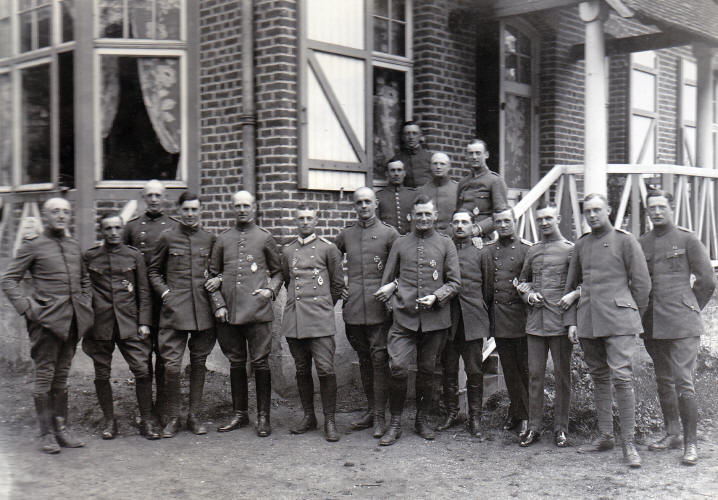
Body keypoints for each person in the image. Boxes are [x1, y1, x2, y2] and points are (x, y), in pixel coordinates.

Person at [565, 193, 651, 468]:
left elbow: (642, 284)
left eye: (597, 210)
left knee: (622, 378)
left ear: (609, 210)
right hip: (589, 319)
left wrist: (631, 315)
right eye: (587, 211)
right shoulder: (581, 244)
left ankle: (629, 443)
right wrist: (572, 321)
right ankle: (605, 436)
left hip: (619, 319)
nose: (592, 215)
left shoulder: (625, 241)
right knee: (599, 377)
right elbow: (571, 285)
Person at [1, 198, 93, 454]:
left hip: (72, 321)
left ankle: (62, 429)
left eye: (65, 211)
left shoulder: (73, 246)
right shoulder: (34, 246)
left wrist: (84, 303)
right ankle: (46, 434)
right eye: (55, 212)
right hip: (45, 322)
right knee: (45, 375)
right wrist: (28, 309)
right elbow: (9, 280)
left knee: (62, 374)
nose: (61, 216)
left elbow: (85, 280)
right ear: (45, 216)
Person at [374, 195, 461, 446]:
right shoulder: (401, 243)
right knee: (398, 368)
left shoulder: (446, 244)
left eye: (427, 214)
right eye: (419, 214)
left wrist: (436, 297)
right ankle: (395, 423)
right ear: (411, 216)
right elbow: (387, 281)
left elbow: (454, 282)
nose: (423, 218)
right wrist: (394, 304)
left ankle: (422, 420)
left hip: (435, 320)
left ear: (435, 216)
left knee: (427, 371)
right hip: (404, 319)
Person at [639, 190, 715, 466]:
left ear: (671, 208)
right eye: (652, 207)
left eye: (662, 206)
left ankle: (690, 443)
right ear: (647, 211)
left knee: (683, 379)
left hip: (682, 322)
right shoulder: (642, 242)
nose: (657, 212)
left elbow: (707, 280)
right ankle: (672, 433)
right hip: (652, 322)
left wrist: (690, 307)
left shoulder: (687, 239)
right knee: (663, 379)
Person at [206, 191, 283, 437]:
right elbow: (211, 275)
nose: (242, 209)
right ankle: (239, 414)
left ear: (254, 207)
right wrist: (218, 305)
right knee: (236, 362)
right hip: (229, 313)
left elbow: (278, 272)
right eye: (238, 205)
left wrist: (270, 291)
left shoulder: (264, 237)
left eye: (246, 205)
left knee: (260, 362)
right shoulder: (223, 239)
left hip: (258, 312)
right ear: (232, 208)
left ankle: (263, 416)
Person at [148, 191, 221, 438]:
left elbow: (218, 270)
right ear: (179, 211)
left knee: (199, 364)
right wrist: (165, 293)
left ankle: (194, 416)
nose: (190, 214)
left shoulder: (209, 239)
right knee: (171, 366)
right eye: (186, 209)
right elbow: (153, 271)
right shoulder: (167, 237)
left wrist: (218, 280)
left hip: (202, 311)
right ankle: (173, 417)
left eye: (194, 209)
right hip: (174, 312)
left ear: (201, 211)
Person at [83, 212, 160, 440]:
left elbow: (144, 291)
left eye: (117, 228)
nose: (113, 232)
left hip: (129, 322)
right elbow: (83, 290)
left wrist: (144, 322)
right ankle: (109, 421)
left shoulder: (133, 256)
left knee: (142, 370)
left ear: (122, 229)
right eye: (108, 228)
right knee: (101, 373)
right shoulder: (90, 257)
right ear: (102, 231)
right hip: (100, 324)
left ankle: (146, 420)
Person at [336, 187, 399, 438]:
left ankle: (381, 416)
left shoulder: (389, 233)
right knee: (364, 360)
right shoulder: (346, 234)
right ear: (354, 206)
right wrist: (338, 286)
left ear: (376, 204)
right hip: (353, 308)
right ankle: (371, 411)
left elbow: (404, 264)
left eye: (367, 202)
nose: (363, 206)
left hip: (378, 308)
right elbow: (328, 260)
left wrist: (394, 286)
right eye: (359, 202)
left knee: (379, 360)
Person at [516, 202, 579, 448]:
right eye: (540, 219)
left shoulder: (570, 250)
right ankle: (533, 428)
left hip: (560, 323)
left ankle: (561, 429)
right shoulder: (533, 251)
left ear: (558, 218)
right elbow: (523, 282)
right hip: (535, 324)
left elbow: (578, 286)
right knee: (535, 377)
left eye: (548, 218)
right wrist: (529, 296)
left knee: (562, 377)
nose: (544, 223)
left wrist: (572, 320)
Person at [280, 206, 345, 442]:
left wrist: (324, 308)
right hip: (295, 318)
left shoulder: (329, 249)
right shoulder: (288, 250)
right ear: (296, 221)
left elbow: (337, 285)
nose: (305, 222)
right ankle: (309, 416)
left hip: (320, 319)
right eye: (301, 218)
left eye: (309, 218)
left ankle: (330, 420)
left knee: (325, 369)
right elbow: (287, 279)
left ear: (317, 221)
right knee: (301, 369)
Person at [123, 179, 177, 416]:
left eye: (158, 195)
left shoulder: (174, 227)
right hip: (140, 302)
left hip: (164, 300)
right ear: (143, 197)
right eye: (150, 195)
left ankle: (163, 408)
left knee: (165, 356)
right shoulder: (132, 228)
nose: (154, 199)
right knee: (142, 357)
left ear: (165, 197)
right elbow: (122, 259)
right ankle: (146, 412)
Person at [435, 209, 490, 437]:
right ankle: (451, 413)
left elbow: (487, 288)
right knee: (448, 368)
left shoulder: (481, 252)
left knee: (474, 369)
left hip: (472, 318)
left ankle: (475, 417)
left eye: (464, 222)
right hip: (448, 319)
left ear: (472, 226)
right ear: (451, 225)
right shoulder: (443, 249)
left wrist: (482, 314)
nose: (459, 226)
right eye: (456, 222)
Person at [480, 207, 531, 439]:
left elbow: (531, 282)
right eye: (498, 221)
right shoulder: (488, 251)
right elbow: (486, 288)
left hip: (521, 318)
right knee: (509, 370)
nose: (502, 225)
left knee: (524, 369)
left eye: (506, 221)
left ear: (515, 221)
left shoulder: (527, 250)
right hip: (499, 318)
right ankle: (518, 412)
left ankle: (525, 415)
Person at [456, 139, 508, 239]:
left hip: (484, 237)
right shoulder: (462, 183)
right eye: (471, 153)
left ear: (486, 155)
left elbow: (500, 214)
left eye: (478, 153)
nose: (474, 157)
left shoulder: (495, 181)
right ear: (466, 156)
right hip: (463, 236)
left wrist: (479, 228)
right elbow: (458, 211)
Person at [417, 152, 458, 235]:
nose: (438, 167)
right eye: (435, 163)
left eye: (442, 164)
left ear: (449, 167)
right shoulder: (421, 191)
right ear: (430, 166)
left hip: (453, 236)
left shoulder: (457, 189)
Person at [376, 159, 417, 235]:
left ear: (404, 173)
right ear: (387, 174)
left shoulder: (413, 195)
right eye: (392, 170)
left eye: (399, 170)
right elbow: (376, 224)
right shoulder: (379, 196)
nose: (396, 174)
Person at [395, 121, 433, 188]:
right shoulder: (396, 160)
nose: (411, 137)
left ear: (420, 136)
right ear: (403, 137)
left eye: (414, 133)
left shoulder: (430, 158)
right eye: (407, 134)